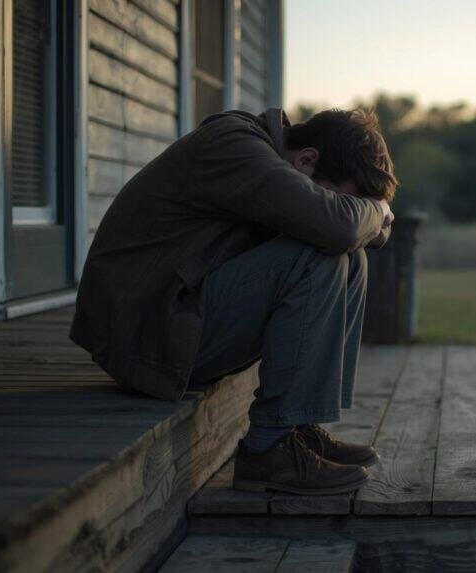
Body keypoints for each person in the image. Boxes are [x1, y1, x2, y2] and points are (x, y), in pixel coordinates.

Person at [70, 108, 396, 495]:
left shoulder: (274, 156)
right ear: (306, 160)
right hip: (146, 336)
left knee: (351, 257)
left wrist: (366, 217)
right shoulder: (233, 146)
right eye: (344, 200)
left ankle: (295, 425)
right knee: (319, 255)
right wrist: (375, 213)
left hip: (178, 313)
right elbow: (340, 226)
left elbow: (355, 231)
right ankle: (268, 449)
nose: (350, 210)